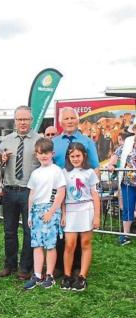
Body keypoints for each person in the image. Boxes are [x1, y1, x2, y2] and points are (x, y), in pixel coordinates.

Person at [52, 107, 100, 278]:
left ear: (78, 120)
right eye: (66, 118)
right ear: (60, 121)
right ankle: (59, 266)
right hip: (59, 193)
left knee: (81, 235)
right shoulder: (55, 142)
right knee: (61, 229)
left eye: (73, 118)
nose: (70, 121)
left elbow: (95, 166)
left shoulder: (87, 141)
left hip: (80, 197)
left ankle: (78, 267)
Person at [0, 106, 40, 280]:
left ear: (31, 120)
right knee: (9, 231)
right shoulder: (6, 140)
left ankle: (25, 267)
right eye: (19, 119)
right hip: (9, 190)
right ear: (15, 121)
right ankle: (10, 265)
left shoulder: (39, 140)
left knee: (29, 231)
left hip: (30, 193)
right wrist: (1, 160)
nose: (22, 123)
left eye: (26, 119)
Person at [23, 138, 66, 290]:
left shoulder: (57, 171)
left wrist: (52, 212)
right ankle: (37, 275)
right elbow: (31, 194)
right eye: (40, 153)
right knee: (37, 245)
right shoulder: (35, 173)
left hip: (51, 211)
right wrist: (29, 214)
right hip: (36, 212)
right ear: (36, 155)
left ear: (52, 153)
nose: (43, 156)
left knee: (50, 245)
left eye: (46, 153)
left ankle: (49, 275)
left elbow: (61, 192)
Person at [61, 143, 100, 291]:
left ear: (84, 156)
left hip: (86, 209)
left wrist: (96, 216)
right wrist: (63, 214)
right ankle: (67, 275)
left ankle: (82, 276)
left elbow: (95, 195)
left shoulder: (89, 172)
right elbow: (62, 196)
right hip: (70, 210)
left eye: (78, 156)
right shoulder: (64, 173)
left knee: (85, 243)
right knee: (69, 244)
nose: (75, 159)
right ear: (68, 157)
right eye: (72, 156)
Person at [108, 130, 136, 245]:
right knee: (128, 208)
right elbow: (116, 154)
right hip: (128, 182)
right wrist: (111, 164)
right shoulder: (128, 142)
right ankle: (126, 235)